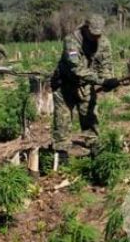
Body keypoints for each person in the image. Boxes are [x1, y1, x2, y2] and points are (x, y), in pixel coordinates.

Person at [51, 15, 119, 164]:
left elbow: (105, 65)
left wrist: (107, 81)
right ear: (85, 28)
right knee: (62, 119)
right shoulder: (71, 41)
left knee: (90, 116)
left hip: (86, 85)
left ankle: (93, 146)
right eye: (93, 34)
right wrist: (101, 80)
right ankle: (61, 152)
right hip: (65, 85)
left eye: (98, 34)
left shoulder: (104, 43)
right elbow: (76, 69)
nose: (96, 37)